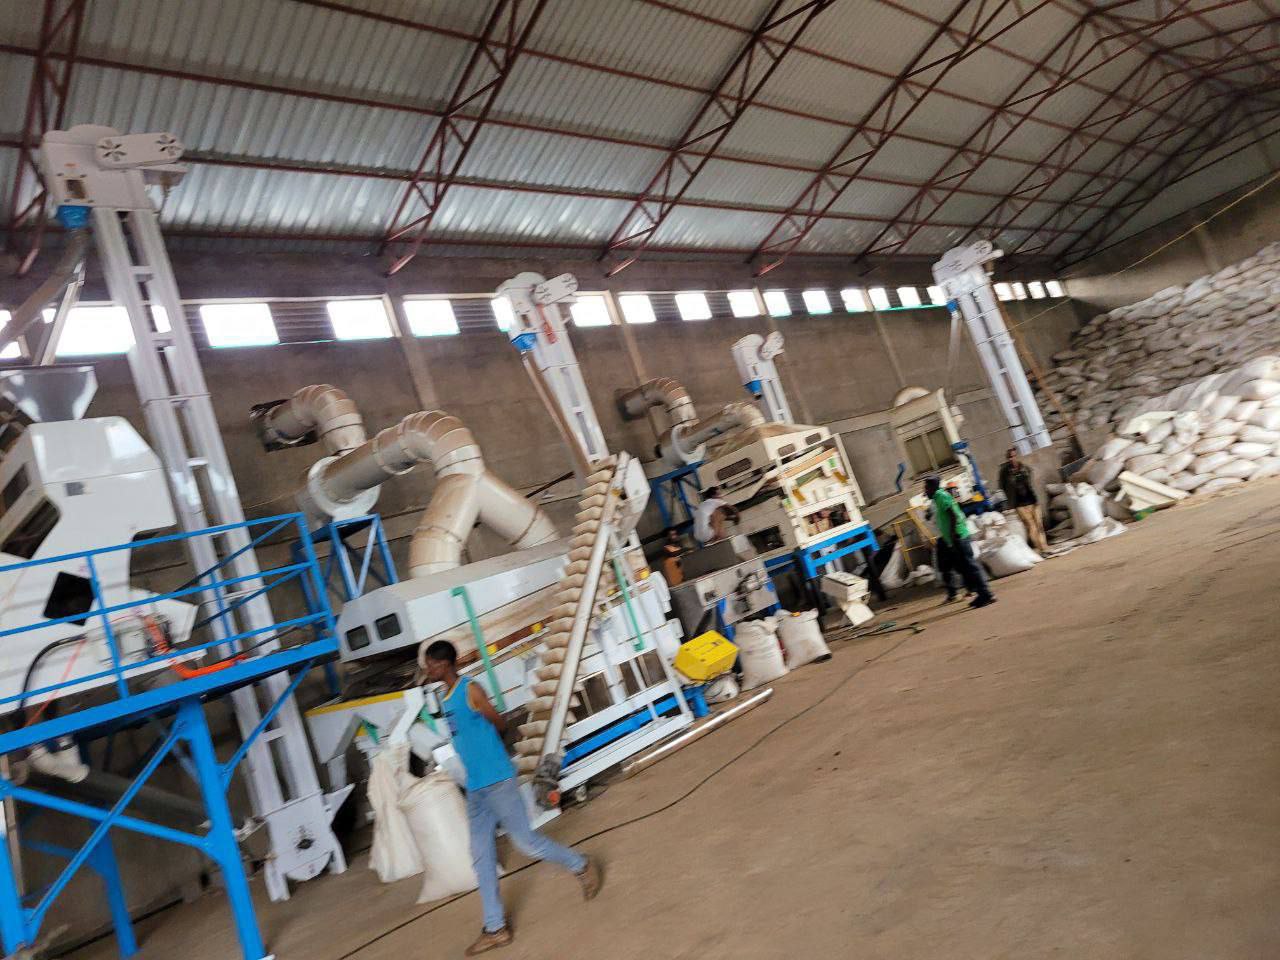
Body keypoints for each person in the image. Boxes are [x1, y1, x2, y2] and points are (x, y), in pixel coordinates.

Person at [421, 640, 602, 956]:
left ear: (445, 664)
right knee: (480, 855)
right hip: (476, 788)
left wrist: (491, 748)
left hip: (498, 780)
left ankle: (582, 865)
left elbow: (500, 722)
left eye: (431, 665)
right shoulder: (444, 697)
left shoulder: (470, 690)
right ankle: (496, 929)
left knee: (526, 842)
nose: (428, 670)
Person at [925, 475, 995, 609]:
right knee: (965, 568)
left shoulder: (941, 496)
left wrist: (953, 535)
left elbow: (953, 515)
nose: (925, 490)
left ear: (933, 487)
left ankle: (987, 594)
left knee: (971, 566)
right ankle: (981, 594)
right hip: (954, 539)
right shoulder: (937, 498)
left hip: (959, 537)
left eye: (927, 487)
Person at [998, 447, 1048, 554]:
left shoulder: (1025, 468)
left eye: (1013, 456)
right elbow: (1001, 486)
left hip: (1032, 501)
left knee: (1039, 525)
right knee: (1031, 526)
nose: (1012, 459)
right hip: (1019, 504)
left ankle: (1044, 547)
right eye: (1009, 457)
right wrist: (1009, 499)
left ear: (1017, 456)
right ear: (1007, 459)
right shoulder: (1005, 473)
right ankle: (1040, 548)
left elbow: (1031, 483)